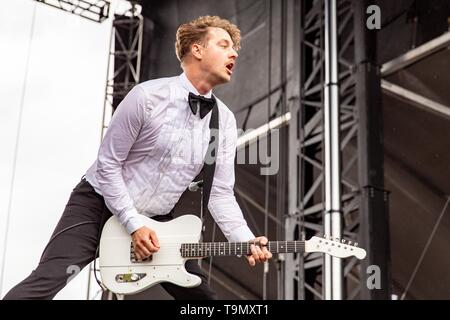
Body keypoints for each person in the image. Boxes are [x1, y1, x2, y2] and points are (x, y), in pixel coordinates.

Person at [3, 15, 272, 300]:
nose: (234, 53)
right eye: (224, 45)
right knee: (48, 280)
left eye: (235, 49)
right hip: (96, 205)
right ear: (197, 50)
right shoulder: (146, 97)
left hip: (157, 221)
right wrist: (133, 224)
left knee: (202, 300)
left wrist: (244, 239)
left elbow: (218, 192)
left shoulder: (225, 121)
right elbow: (107, 165)